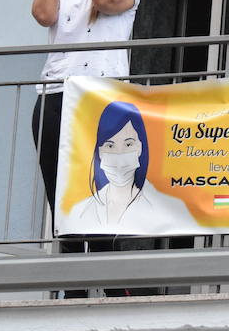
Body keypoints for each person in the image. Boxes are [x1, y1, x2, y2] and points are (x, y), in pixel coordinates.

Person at [29, 0, 140, 292]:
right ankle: (73, 294)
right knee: (66, 205)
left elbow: (106, 0)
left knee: (106, 197)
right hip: (57, 97)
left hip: (102, 102)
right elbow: (43, 14)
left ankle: (112, 292)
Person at [60, 100, 197, 233]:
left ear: (140, 147)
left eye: (128, 144)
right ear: (100, 152)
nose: (119, 154)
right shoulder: (80, 211)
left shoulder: (172, 209)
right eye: (110, 145)